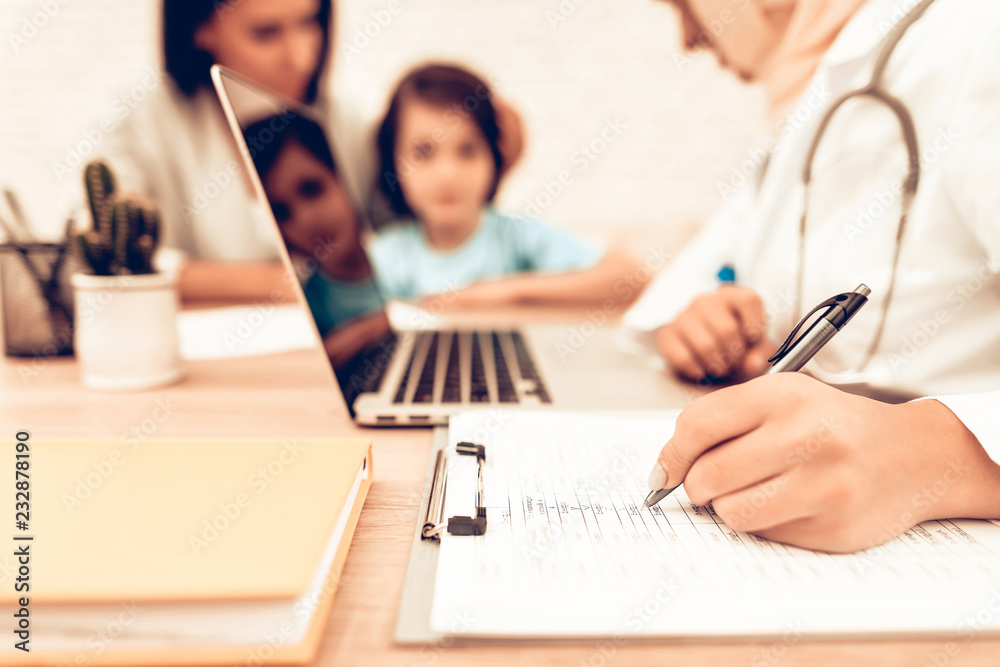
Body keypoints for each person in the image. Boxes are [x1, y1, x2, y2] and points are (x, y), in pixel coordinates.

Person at [628, 0, 1000, 553]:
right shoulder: (811, 100)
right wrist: (703, 327)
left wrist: (939, 456)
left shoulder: (979, 37)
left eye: (685, 7)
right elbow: (697, 277)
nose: (690, 39)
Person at [368, 63, 648, 308]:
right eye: (424, 152)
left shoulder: (515, 238)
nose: (447, 174)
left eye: (468, 150)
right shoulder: (387, 256)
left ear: (495, 158)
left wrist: (501, 293)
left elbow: (631, 277)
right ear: (392, 160)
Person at [243, 112, 389, 371]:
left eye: (312, 189)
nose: (306, 220)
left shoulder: (405, 252)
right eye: (281, 212)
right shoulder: (309, 304)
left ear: (346, 174)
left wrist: (377, 325)